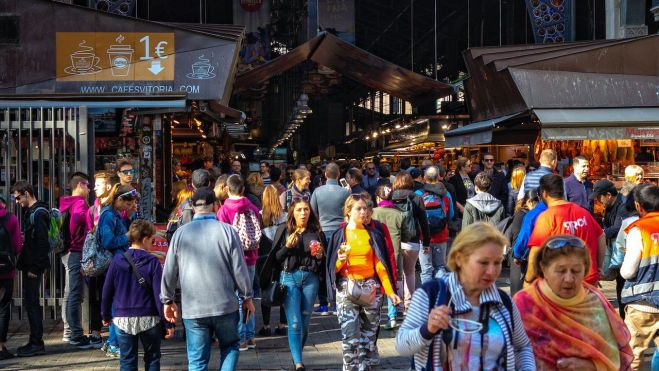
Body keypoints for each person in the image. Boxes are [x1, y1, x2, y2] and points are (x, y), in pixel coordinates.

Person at [396, 222, 535, 371]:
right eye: (483, 262)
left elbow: (522, 347)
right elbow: (401, 346)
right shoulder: (431, 294)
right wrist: (427, 329)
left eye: (498, 262)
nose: (492, 271)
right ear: (459, 258)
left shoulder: (503, 302)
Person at [161, 187, 254, 371]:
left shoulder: (180, 233)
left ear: (192, 207)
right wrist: (247, 296)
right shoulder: (228, 231)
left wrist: (167, 299)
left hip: (194, 309)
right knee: (230, 347)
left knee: (197, 361)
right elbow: (239, 269)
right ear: (215, 206)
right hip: (225, 305)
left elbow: (169, 271)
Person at [514, 235, 633, 370]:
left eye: (576, 271)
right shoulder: (524, 304)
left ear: (585, 270)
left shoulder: (595, 302)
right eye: (561, 271)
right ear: (543, 268)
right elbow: (506, 354)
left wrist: (593, 367)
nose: (569, 279)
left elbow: (617, 357)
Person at [326, 194, 401, 370]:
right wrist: (340, 261)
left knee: (369, 340)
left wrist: (390, 292)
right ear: (348, 211)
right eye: (358, 208)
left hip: (371, 290)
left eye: (365, 208)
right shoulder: (340, 234)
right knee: (350, 339)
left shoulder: (373, 234)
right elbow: (332, 270)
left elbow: (380, 266)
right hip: (347, 289)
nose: (363, 212)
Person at [260, 198, 326, 371]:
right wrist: (287, 247)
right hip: (289, 278)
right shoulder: (284, 230)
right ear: (292, 212)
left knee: (304, 323)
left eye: (306, 209)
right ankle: (298, 362)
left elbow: (322, 262)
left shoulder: (316, 231)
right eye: (299, 210)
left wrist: (319, 255)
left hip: (310, 279)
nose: (303, 213)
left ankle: (298, 352)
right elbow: (275, 258)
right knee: (294, 323)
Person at [102, 220, 175, 370]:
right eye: (152, 240)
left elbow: (107, 291)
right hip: (149, 317)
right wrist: (167, 323)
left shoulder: (117, 261)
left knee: (127, 360)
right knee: (153, 358)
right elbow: (159, 295)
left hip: (123, 318)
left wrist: (105, 315)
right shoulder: (152, 262)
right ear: (145, 239)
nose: (153, 243)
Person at [524, 174, 606, 286]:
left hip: (562, 286)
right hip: (588, 282)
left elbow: (535, 253)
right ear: (563, 191)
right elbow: (601, 236)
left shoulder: (547, 218)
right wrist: (599, 267)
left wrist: (528, 280)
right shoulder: (583, 213)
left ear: (544, 193)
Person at [217, 175, 261, 351]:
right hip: (251, 257)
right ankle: (250, 336)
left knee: (235, 296)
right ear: (243, 189)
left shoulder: (223, 210)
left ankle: (240, 336)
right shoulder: (252, 207)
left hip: (231, 259)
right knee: (248, 295)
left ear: (227, 189)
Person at [620, 184, 659, 370]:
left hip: (642, 305)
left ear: (638, 206)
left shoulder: (639, 230)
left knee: (633, 356)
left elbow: (628, 271)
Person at [97, 183, 138, 357]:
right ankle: (114, 342)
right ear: (119, 199)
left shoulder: (115, 214)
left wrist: (129, 216)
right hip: (114, 265)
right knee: (117, 304)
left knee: (117, 302)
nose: (128, 207)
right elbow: (108, 241)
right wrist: (126, 237)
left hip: (119, 262)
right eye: (127, 204)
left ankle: (111, 342)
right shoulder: (108, 215)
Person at [11, 181, 51, 356]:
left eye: (18, 197)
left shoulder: (38, 213)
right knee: (30, 302)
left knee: (32, 303)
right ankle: (34, 341)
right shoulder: (33, 212)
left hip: (34, 266)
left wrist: (35, 267)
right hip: (31, 264)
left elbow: (42, 243)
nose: (18, 201)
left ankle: (36, 342)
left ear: (27, 193)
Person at [58, 172, 94, 348]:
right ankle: (76, 335)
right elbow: (77, 221)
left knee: (69, 293)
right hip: (75, 251)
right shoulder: (79, 203)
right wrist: (92, 217)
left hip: (68, 252)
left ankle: (69, 332)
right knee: (75, 294)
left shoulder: (66, 202)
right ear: (80, 185)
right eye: (87, 185)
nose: (90, 188)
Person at [310, 163, 350, 316]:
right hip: (340, 232)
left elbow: (313, 214)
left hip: (322, 232)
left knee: (322, 267)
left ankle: (323, 304)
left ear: (325, 175)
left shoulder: (317, 192)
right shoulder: (344, 193)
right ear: (338, 175)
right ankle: (337, 303)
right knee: (338, 266)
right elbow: (348, 213)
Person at [372, 185, 410, 330]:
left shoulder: (372, 213)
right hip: (394, 253)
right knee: (392, 283)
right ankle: (392, 316)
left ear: (378, 198)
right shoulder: (399, 214)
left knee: (376, 283)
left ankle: (374, 315)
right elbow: (407, 235)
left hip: (376, 253)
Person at [392, 172, 430, 311]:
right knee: (410, 272)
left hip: (394, 240)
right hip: (412, 241)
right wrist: (426, 242)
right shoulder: (417, 198)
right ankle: (410, 304)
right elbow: (424, 222)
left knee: (397, 273)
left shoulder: (390, 198)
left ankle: (399, 304)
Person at [86, 171, 113, 345]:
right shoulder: (92, 209)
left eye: (98, 184)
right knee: (94, 295)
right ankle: (95, 330)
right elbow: (87, 238)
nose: (94, 187)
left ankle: (112, 331)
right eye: (95, 184)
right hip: (96, 261)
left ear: (108, 187)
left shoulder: (113, 209)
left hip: (111, 260)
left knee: (109, 294)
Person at [257, 185, 288, 337]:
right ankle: (283, 324)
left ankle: (266, 325)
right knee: (282, 287)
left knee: (265, 288)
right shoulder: (285, 216)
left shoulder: (259, 216)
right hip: (281, 257)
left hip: (264, 258)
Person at [416, 166, 453, 284]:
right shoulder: (446, 194)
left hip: (424, 237)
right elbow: (451, 214)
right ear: (438, 177)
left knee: (426, 270)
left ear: (424, 178)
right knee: (440, 267)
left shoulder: (418, 194)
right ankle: (440, 295)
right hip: (441, 235)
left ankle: (427, 297)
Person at [0, 193, 22, 360]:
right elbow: (16, 246)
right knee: (3, 308)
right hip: (6, 270)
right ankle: (1, 347)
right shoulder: (11, 218)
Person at [508, 189, 539, 296]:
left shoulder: (528, 214)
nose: (536, 206)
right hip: (520, 259)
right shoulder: (521, 215)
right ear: (528, 202)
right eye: (535, 203)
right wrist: (517, 255)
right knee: (518, 294)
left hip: (526, 256)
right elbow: (518, 239)